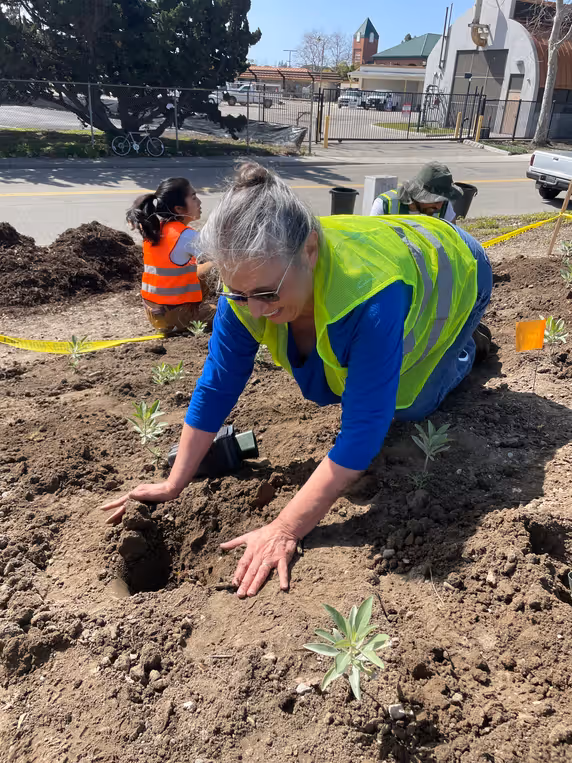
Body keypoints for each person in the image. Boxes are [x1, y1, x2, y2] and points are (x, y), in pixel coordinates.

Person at [104, 162, 492, 599]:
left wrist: (286, 527)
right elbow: (217, 384)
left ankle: (468, 350)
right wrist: (175, 481)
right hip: (386, 256)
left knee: (409, 404)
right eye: (238, 294)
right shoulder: (254, 280)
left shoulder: (371, 297)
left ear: (310, 249)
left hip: (458, 272)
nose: (253, 309)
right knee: (329, 380)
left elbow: (363, 432)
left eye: (267, 294)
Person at [127, 178, 215, 333]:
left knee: (203, 269)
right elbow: (220, 256)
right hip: (175, 317)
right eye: (194, 198)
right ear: (179, 209)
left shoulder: (156, 229)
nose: (200, 202)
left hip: (155, 313)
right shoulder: (186, 236)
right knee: (230, 315)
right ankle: (190, 316)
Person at [370, 161, 461, 223]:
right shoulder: (385, 204)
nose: (439, 206)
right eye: (435, 200)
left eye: (442, 200)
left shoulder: (445, 206)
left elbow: (453, 240)